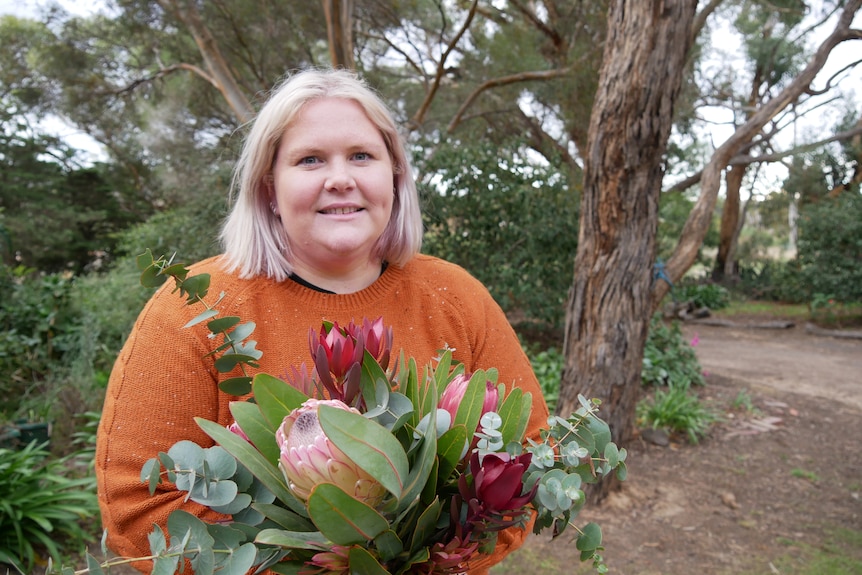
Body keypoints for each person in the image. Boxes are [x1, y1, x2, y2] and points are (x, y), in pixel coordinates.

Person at [95, 67, 549, 574]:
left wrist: (438, 561)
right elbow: (139, 503)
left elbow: (530, 459)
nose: (340, 179)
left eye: (362, 156)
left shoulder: (456, 297)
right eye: (310, 159)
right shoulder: (197, 311)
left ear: (394, 175)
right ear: (269, 186)